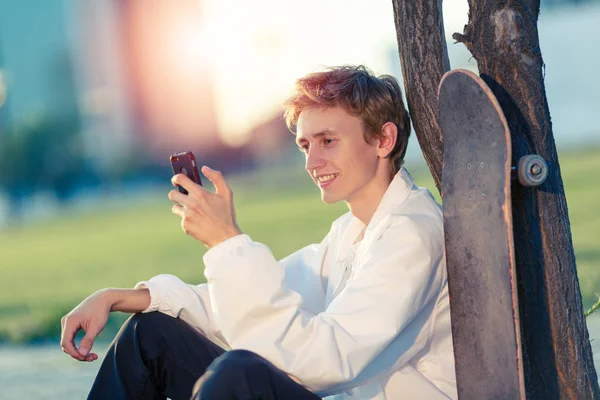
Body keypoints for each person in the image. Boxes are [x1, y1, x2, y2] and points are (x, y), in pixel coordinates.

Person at [60, 65, 457, 399]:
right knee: (150, 334)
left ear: (384, 140)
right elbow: (254, 302)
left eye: (328, 141)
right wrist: (120, 297)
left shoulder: (411, 233)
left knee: (239, 375)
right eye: (305, 145)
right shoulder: (352, 232)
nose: (312, 162)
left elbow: (326, 361)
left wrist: (225, 241)